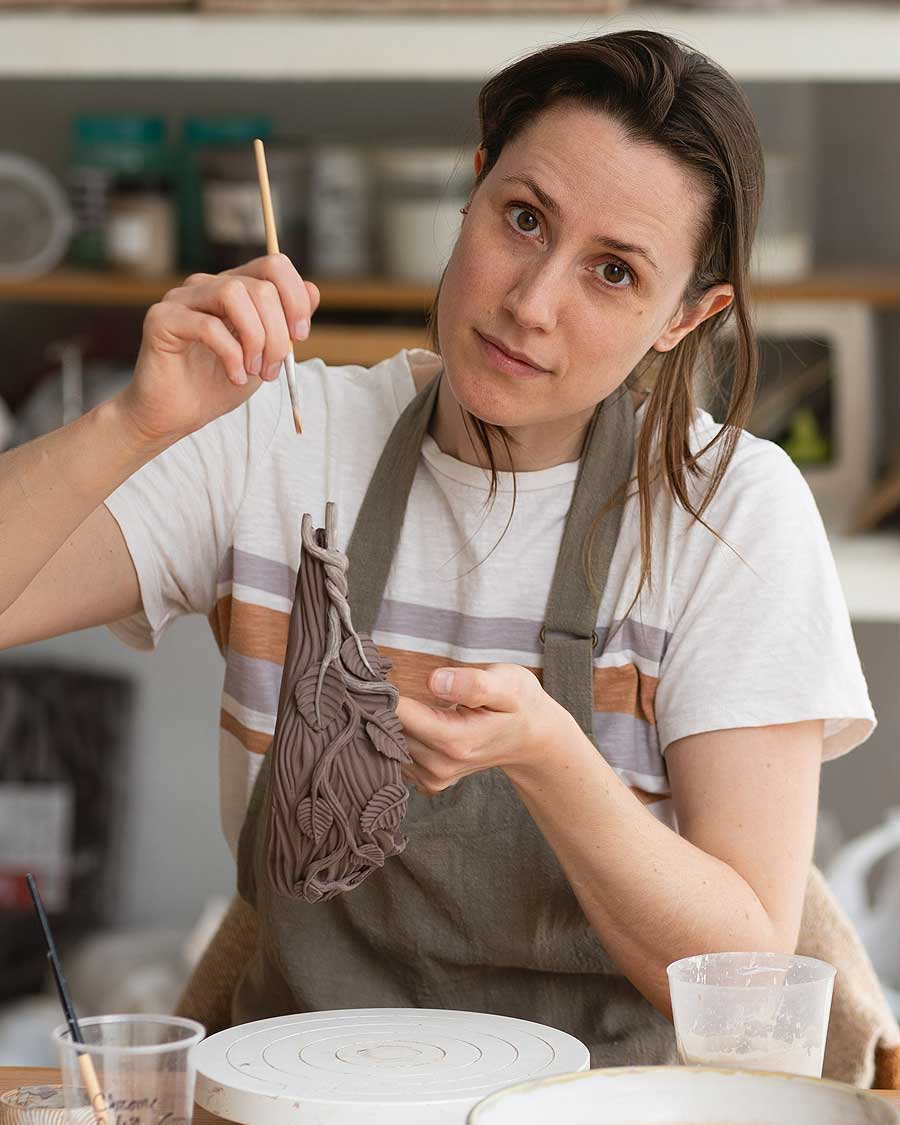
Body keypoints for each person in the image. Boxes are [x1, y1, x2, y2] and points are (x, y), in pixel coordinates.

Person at [0, 30, 876, 1065]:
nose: (531, 302)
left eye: (613, 271)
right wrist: (132, 425)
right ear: (472, 192)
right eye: (523, 219)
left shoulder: (729, 513)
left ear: (689, 315)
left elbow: (747, 979)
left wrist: (554, 759)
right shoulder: (277, 440)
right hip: (298, 1091)